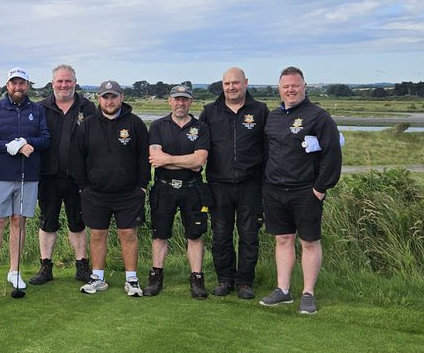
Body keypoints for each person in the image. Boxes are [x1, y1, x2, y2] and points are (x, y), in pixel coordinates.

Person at [259, 66, 342, 315]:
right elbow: (266, 152)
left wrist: (320, 188)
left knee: (309, 242)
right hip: (274, 189)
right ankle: (283, 290)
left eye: (295, 85)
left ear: (304, 86)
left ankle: (308, 294)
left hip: (306, 190)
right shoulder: (272, 117)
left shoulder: (318, 116)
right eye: (286, 86)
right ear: (279, 89)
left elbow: (332, 154)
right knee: (283, 239)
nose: (290, 90)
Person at [70, 80, 149, 296]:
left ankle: (131, 279)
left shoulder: (135, 124)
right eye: (105, 96)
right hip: (95, 193)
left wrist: (142, 186)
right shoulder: (87, 125)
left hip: (129, 193)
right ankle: (98, 277)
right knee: (97, 234)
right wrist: (82, 187)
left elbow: (144, 157)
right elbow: (77, 158)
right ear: (99, 99)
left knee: (128, 233)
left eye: (113, 96)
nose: (110, 100)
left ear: (121, 97)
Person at [0, 67, 50, 293]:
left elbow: (45, 139)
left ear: (28, 85)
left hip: (28, 176)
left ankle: (14, 271)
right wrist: (11, 147)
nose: (18, 87)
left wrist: (28, 143)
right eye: (13, 83)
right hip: (0, 175)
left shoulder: (36, 110)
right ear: (7, 85)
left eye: (22, 83)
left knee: (19, 222)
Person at [200, 67, 269, 300]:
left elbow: (269, 148)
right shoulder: (210, 111)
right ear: (222, 85)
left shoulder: (260, 110)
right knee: (221, 234)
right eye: (227, 83)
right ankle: (225, 279)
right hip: (219, 184)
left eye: (236, 83)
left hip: (251, 184)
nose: (231, 87)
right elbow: (199, 145)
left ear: (246, 83)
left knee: (249, 234)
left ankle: (245, 282)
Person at [31, 64, 96, 286]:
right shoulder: (40, 108)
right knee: (47, 222)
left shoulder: (88, 109)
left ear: (75, 83)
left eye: (68, 81)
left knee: (77, 222)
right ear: (53, 83)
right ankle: (45, 267)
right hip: (48, 176)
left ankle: (82, 267)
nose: (64, 85)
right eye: (60, 81)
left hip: (78, 178)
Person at [145, 84, 211, 298]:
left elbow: (199, 160)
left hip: (192, 189)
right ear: (170, 101)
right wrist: (186, 161)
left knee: (195, 235)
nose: (181, 103)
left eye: (185, 99)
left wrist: (169, 159)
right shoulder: (157, 126)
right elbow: (156, 159)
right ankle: (156, 277)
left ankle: (197, 279)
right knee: (160, 234)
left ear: (191, 102)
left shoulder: (200, 127)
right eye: (177, 99)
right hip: (164, 188)